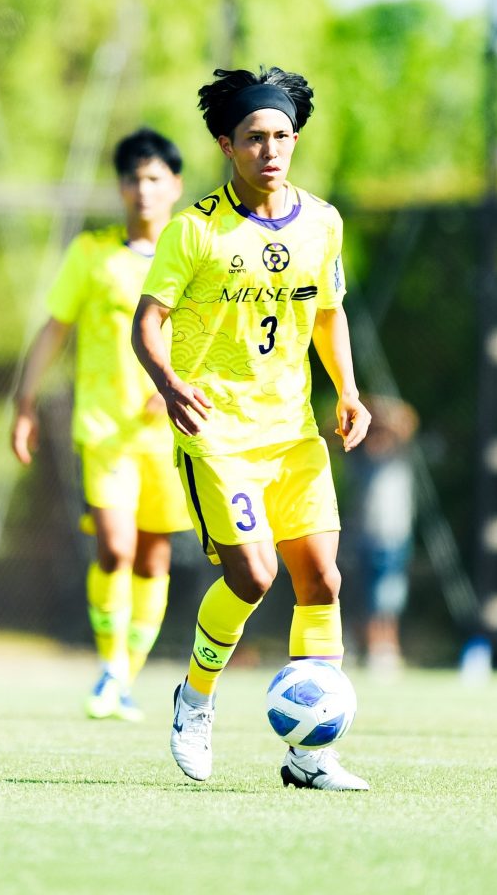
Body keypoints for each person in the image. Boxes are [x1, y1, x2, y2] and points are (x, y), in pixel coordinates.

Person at [131, 66, 372, 790]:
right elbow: (147, 324)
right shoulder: (194, 230)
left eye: (281, 136)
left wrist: (349, 391)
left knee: (322, 579)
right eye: (254, 137)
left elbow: (327, 313)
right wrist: (169, 383)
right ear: (226, 145)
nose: (270, 149)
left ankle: (310, 755)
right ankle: (195, 699)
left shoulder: (323, 222)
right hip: (218, 432)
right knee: (254, 574)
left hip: (292, 431)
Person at [11, 127, 192, 722]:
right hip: (105, 429)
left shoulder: (194, 252)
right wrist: (24, 401)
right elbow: (54, 328)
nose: (144, 190)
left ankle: (126, 679)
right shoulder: (92, 254)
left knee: (153, 560)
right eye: (134, 179)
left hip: (170, 435)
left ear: (175, 186)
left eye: (155, 178)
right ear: (120, 188)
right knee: (114, 548)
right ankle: (111, 666)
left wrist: (181, 387)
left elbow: (217, 338)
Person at [348, 394, 419, 672]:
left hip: (394, 534)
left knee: (390, 593)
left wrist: (380, 410)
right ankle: (368, 646)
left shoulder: (400, 453)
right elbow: (334, 428)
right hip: (363, 534)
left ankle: (387, 647)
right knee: (363, 594)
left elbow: (408, 421)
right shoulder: (359, 454)